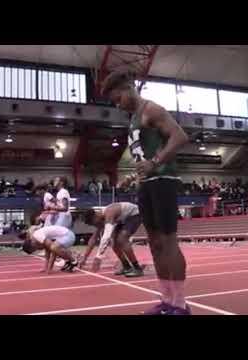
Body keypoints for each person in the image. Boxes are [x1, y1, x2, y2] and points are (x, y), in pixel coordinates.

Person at [102, 70, 190, 315]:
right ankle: (167, 301)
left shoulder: (152, 110)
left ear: (130, 86)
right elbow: (144, 157)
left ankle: (180, 305)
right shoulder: (132, 120)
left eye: (118, 99)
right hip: (147, 184)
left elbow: (180, 137)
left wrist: (155, 162)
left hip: (163, 181)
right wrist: (134, 176)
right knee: (154, 244)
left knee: (169, 242)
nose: (117, 105)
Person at [80, 202, 144, 277]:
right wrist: (84, 258)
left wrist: (98, 257)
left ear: (96, 216)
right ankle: (127, 267)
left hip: (135, 215)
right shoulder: (100, 219)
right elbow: (93, 239)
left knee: (122, 238)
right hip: (123, 219)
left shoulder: (109, 213)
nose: (96, 226)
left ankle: (137, 268)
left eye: (94, 223)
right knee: (114, 244)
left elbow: (106, 236)